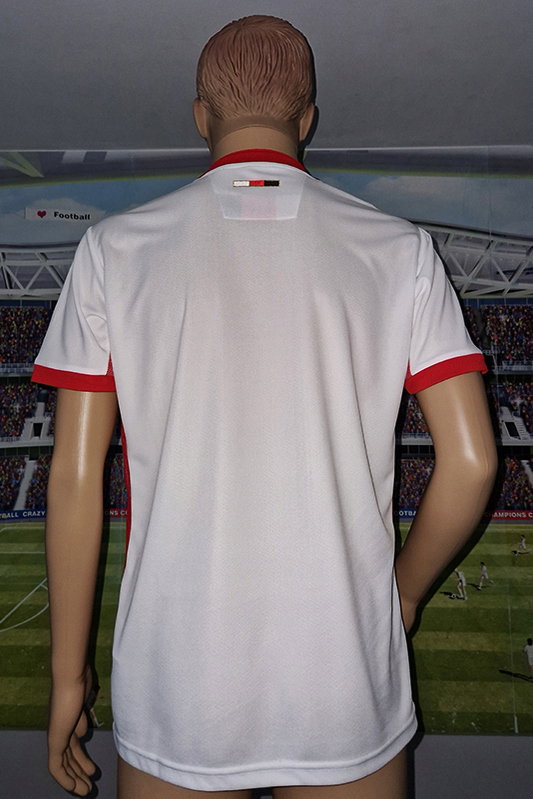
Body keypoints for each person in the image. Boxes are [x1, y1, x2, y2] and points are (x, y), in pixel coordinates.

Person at [32, 15, 497, 799]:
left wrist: (67, 674)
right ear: (305, 119)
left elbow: (74, 481)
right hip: (344, 681)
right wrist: (405, 593)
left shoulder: (113, 252)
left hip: (177, 683)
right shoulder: (399, 251)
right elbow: (475, 461)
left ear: (200, 116)